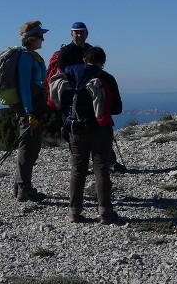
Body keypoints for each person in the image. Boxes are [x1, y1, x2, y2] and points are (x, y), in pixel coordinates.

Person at [50, 45, 123, 224]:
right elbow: (117, 108)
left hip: (76, 129)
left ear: (84, 59)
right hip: (101, 129)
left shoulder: (70, 75)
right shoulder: (106, 77)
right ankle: (105, 213)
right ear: (103, 63)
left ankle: (74, 213)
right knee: (101, 169)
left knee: (77, 169)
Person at [54, 21, 125, 173]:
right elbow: (62, 76)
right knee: (79, 130)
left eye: (81, 32)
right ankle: (88, 164)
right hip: (74, 99)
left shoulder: (88, 49)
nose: (79, 35)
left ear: (87, 34)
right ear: (71, 34)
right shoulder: (66, 52)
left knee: (90, 127)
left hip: (89, 97)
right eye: (76, 32)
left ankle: (105, 161)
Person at [13, 20, 50, 202]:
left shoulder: (32, 56)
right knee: (29, 149)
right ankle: (24, 188)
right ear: (31, 39)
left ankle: (20, 188)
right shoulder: (26, 58)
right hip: (30, 109)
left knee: (30, 148)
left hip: (36, 106)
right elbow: (24, 87)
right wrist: (29, 113)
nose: (43, 39)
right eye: (40, 36)